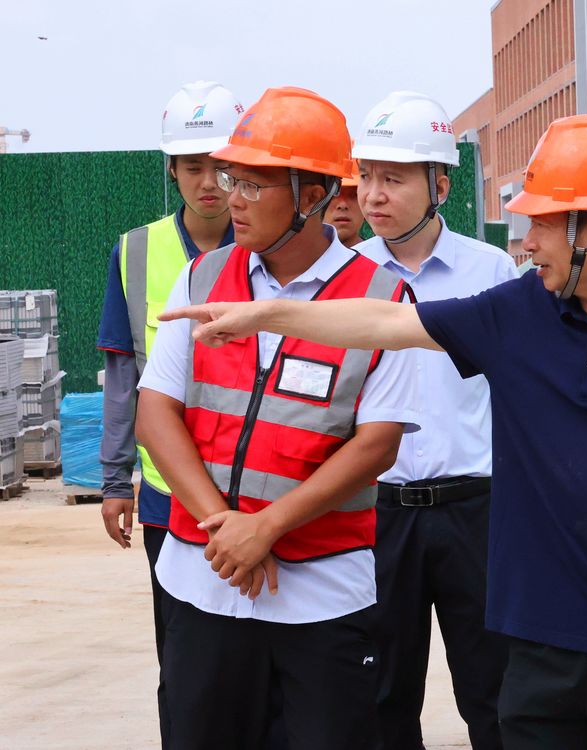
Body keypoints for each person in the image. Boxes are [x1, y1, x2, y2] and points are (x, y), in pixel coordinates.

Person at [161, 112, 587, 750]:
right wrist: (265, 314)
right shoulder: (520, 311)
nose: (527, 243)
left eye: (542, 223)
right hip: (538, 643)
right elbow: (387, 324)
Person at [134, 86, 419, 750]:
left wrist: (266, 528)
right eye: (231, 178)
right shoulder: (201, 278)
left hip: (321, 593)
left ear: (314, 195)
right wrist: (225, 530)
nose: (229, 196)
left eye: (252, 185)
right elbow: (155, 413)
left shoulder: (382, 299)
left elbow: (376, 445)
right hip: (203, 581)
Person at [352, 90, 516, 750]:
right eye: (366, 176)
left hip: (476, 513)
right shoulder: (347, 279)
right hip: (377, 514)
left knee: (496, 692)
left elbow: (517, 394)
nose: (373, 194)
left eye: (393, 178)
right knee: (380, 696)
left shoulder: (492, 271)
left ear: (439, 185)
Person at [95, 79, 242, 741]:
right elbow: (122, 377)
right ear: (172, 171)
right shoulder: (135, 252)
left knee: (265, 660)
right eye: (192, 167)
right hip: (166, 496)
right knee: (184, 663)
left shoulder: (272, 248)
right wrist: (112, 481)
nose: (208, 183)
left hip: (259, 490)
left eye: (221, 167)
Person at [324, 156, 365, 247]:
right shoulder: (295, 254)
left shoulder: (382, 256)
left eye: (353, 195)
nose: (343, 205)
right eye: (334, 194)